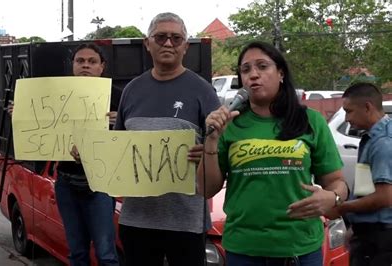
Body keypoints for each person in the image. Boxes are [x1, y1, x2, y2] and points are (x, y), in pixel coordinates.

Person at [197, 41, 349, 266]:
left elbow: (338, 183)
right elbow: (206, 189)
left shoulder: (310, 120)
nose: (253, 75)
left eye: (262, 66)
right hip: (244, 250)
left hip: (300, 250)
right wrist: (211, 140)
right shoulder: (231, 125)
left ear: (281, 74)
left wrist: (332, 197)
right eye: (246, 69)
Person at [113, 12, 220, 266]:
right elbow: (118, 148)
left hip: (186, 221)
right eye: (160, 37)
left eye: (176, 38)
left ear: (185, 46)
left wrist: (205, 151)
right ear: (147, 43)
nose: (168, 43)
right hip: (136, 219)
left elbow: (218, 148)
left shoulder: (203, 90)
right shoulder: (131, 90)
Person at [56, 43, 119, 266]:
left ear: (102, 67)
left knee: (106, 254)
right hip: (66, 182)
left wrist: (118, 122)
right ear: (73, 65)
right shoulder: (57, 95)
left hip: (100, 185)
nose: (85, 66)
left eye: (92, 62)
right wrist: (22, 113)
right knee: (77, 252)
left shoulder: (117, 96)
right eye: (80, 61)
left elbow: (132, 139)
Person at [326, 82, 392, 266]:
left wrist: (342, 208)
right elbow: (366, 190)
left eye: (349, 111)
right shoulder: (373, 138)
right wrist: (355, 226)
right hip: (369, 234)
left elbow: (384, 197)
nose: (346, 118)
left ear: (367, 107)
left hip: (380, 240)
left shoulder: (383, 143)